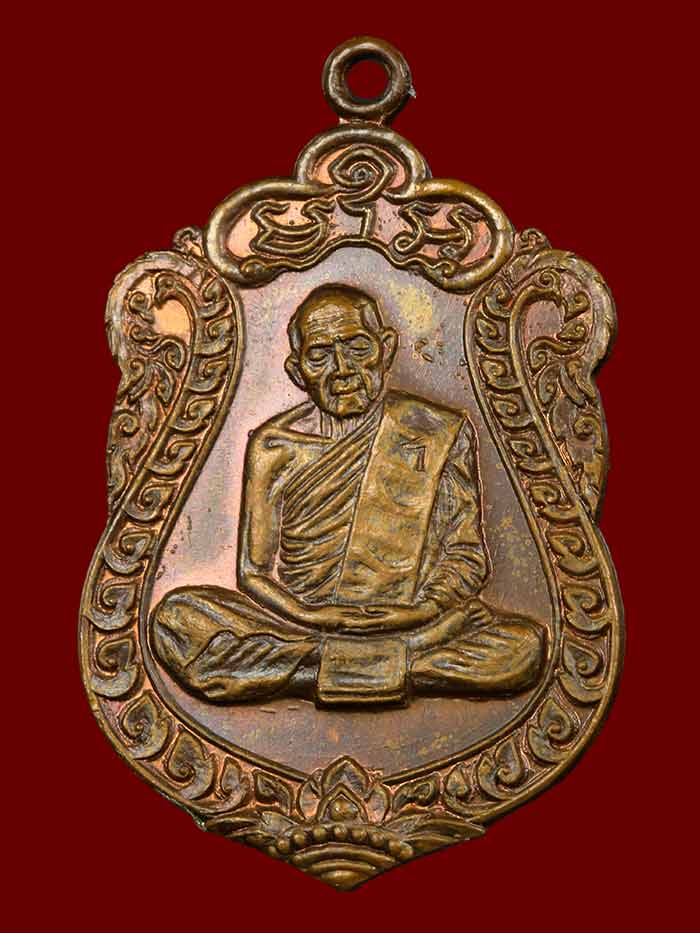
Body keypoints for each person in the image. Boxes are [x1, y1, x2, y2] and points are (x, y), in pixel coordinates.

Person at [150, 284, 544, 706]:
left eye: (357, 347)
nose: (341, 369)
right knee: (178, 618)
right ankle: (401, 669)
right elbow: (254, 572)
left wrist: (424, 610)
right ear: (297, 371)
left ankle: (313, 672)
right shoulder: (273, 445)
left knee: (524, 647)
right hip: (301, 627)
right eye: (320, 356)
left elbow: (465, 554)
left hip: (411, 625)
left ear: (386, 349)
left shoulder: (435, 429)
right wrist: (311, 614)